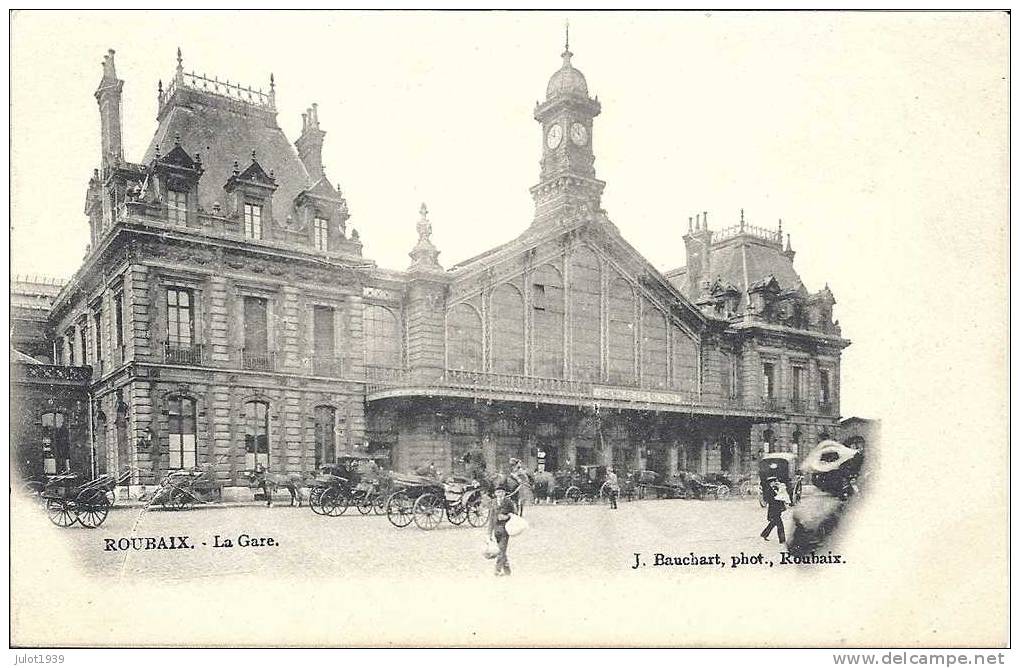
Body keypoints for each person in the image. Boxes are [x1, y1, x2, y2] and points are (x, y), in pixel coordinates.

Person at [488, 487, 516, 576]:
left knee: (501, 549)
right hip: (496, 529)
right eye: (498, 492)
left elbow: (515, 514)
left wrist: (507, 516)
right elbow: (491, 517)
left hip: (505, 529)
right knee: (502, 550)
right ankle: (507, 569)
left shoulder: (508, 502)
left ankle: (497, 570)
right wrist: (489, 533)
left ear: (504, 493)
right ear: (495, 493)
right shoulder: (493, 502)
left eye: (501, 492)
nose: (500, 494)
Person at [760, 477, 788, 543]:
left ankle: (764, 534)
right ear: (770, 483)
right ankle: (782, 540)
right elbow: (768, 499)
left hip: (777, 509)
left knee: (773, 523)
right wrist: (776, 498)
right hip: (773, 510)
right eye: (773, 482)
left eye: (775, 481)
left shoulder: (777, 488)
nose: (774, 483)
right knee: (780, 525)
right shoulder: (768, 490)